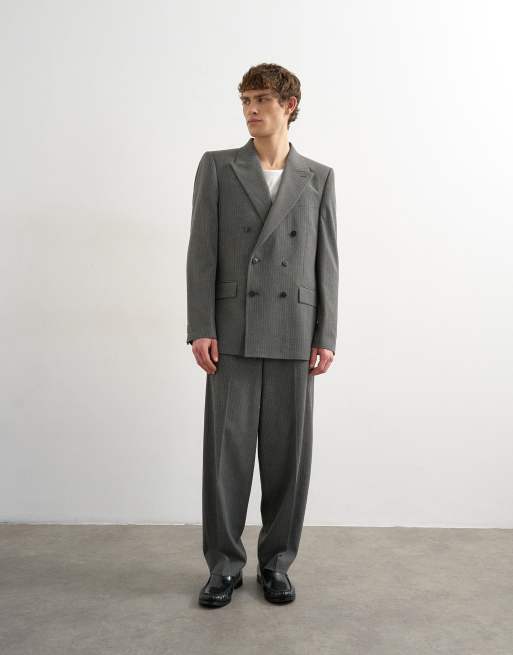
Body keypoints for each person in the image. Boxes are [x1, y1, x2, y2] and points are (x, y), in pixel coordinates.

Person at [186, 62, 339, 608]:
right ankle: (224, 566)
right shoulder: (218, 167)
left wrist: (327, 332)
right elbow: (201, 252)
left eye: (261, 100)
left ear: (289, 106)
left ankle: (276, 564)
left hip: (295, 332)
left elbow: (327, 262)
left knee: (287, 460)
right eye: (245, 101)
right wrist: (200, 326)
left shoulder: (317, 176)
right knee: (226, 459)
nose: (251, 110)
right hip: (232, 332)